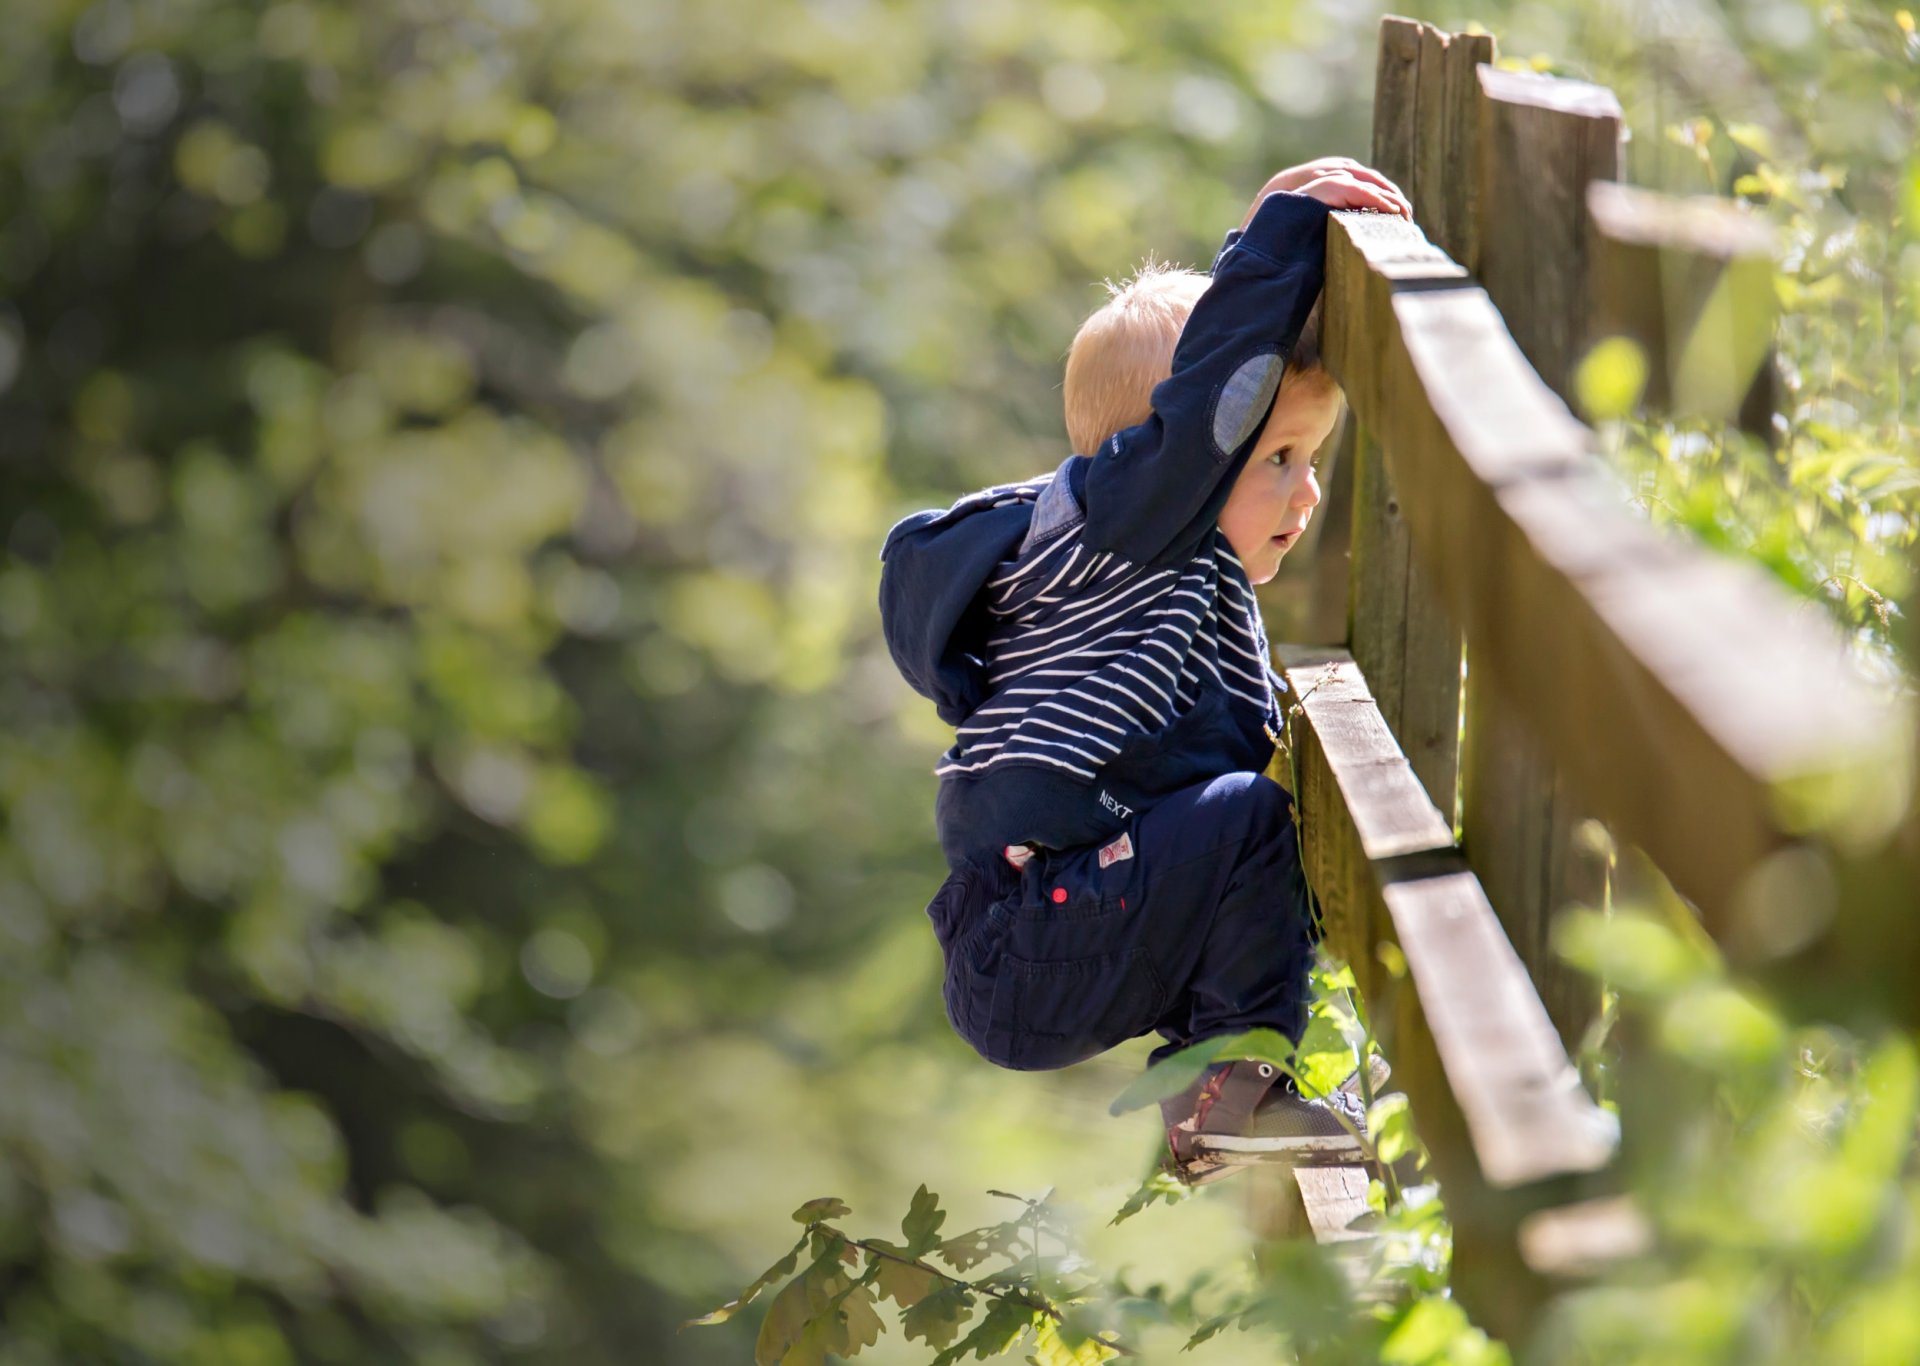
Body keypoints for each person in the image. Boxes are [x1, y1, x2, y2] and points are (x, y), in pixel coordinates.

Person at [879, 159, 1411, 1185]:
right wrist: (1282, 227)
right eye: (1277, 458)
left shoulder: (1167, 569)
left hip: (1064, 921)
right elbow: (1214, 397)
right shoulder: (1129, 532)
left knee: (1247, 825)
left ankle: (1232, 1093)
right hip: (1029, 931)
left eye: (1313, 457)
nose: (1305, 495)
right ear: (1175, 457)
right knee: (1247, 818)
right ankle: (1229, 1100)